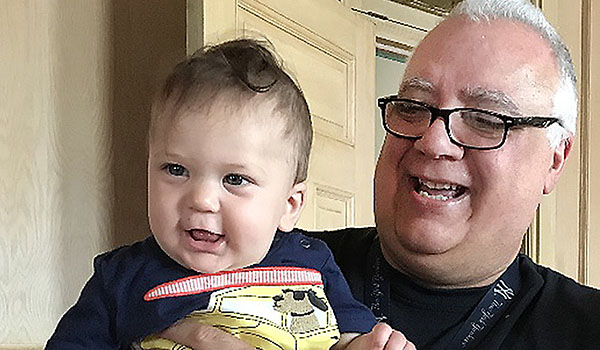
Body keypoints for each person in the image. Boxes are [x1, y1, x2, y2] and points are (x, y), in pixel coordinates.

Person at [154, 0, 600, 349]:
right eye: (413, 106)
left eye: (485, 118)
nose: (434, 141)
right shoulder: (263, 261)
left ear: (555, 158)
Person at [45, 38, 414, 350]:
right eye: (176, 170)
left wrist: (368, 344)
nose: (201, 199)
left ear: (289, 205)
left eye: (235, 179)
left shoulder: (313, 262)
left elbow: (348, 339)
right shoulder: (121, 279)